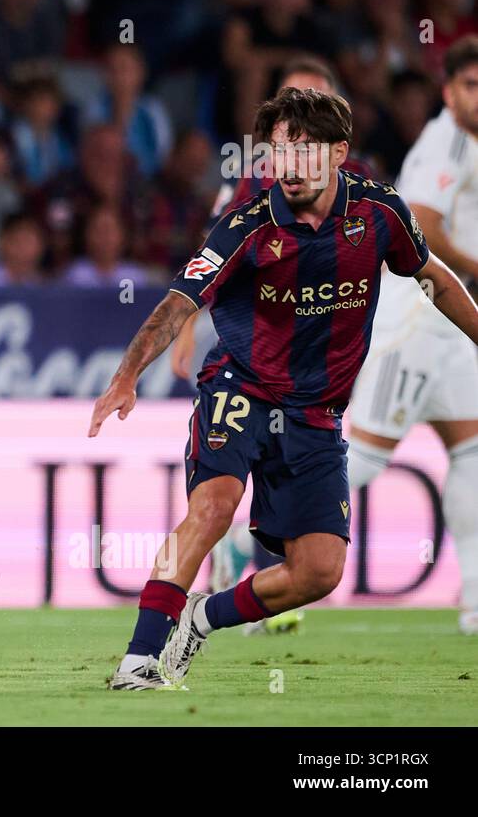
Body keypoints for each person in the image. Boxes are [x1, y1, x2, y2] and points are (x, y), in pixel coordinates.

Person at [90, 88, 478, 689]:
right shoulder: (247, 224)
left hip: (318, 413)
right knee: (213, 507)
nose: (287, 164)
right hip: (241, 388)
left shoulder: (379, 213)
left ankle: (201, 617)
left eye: (302, 149)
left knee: (319, 572)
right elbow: (178, 303)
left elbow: (434, 279)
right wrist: (126, 374)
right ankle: (139, 658)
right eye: (276, 151)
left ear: (338, 154)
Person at [345, 36, 478, 634]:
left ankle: (475, 601)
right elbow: (420, 228)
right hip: (419, 323)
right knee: (361, 466)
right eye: (470, 86)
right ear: (449, 91)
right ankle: (243, 544)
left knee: (473, 457)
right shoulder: (443, 142)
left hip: (456, 331)